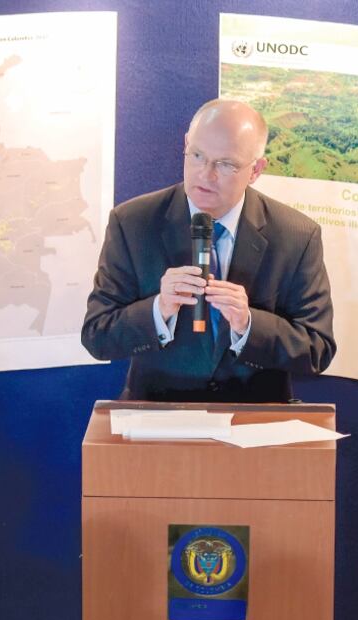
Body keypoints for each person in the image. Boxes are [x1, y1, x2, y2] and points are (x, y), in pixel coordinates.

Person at [81, 99, 335, 402]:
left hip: (256, 420)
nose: (206, 174)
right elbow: (97, 336)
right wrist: (158, 310)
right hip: (158, 418)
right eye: (198, 155)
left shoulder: (296, 235)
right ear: (186, 144)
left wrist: (249, 324)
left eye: (226, 164)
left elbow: (317, 349)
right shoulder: (133, 223)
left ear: (255, 170)